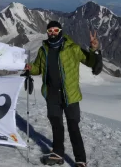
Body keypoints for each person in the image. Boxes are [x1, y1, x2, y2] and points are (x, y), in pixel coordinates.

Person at [24, 20, 102, 167]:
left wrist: (93, 48)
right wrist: (30, 68)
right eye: (50, 31)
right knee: (56, 125)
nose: (52, 33)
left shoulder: (72, 48)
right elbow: (38, 69)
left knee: (73, 127)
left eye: (55, 30)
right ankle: (57, 154)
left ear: (60, 31)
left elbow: (90, 62)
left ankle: (81, 160)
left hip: (70, 95)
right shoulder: (44, 50)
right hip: (52, 95)